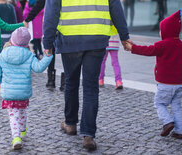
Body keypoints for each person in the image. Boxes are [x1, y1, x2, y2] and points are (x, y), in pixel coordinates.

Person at [43, 0, 130, 150]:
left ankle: (70, 124)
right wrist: (124, 36)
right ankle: (88, 135)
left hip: (69, 39)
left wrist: (47, 42)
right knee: (91, 87)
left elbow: (52, 11)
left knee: (71, 81)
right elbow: (116, 7)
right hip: (97, 38)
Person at [125, 10, 182, 140]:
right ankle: (179, 131)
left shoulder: (162, 45)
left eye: (161, 30)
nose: (160, 33)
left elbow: (147, 51)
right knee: (177, 106)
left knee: (159, 103)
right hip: (179, 84)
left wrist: (133, 48)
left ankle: (167, 122)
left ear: (167, 30)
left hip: (165, 83)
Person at [0, 27, 53, 150]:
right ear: (26, 43)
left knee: (13, 114)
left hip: (9, 91)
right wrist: (48, 57)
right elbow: (39, 68)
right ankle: (23, 130)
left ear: (12, 40)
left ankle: (16, 137)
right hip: (23, 92)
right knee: (22, 111)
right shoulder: (29, 55)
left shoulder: (4, 54)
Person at [23, 0, 62, 90]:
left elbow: (39, 5)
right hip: (67, 25)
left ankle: (51, 79)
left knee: (50, 51)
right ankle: (65, 81)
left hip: (53, 24)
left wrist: (28, 19)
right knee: (66, 54)